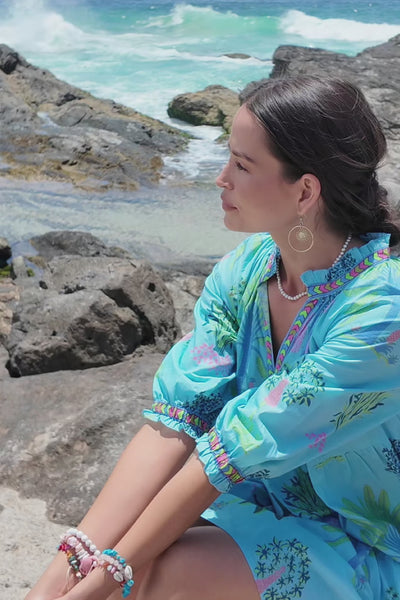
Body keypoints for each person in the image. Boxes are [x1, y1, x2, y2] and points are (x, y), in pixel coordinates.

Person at [27, 76, 400, 600]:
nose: (220, 179)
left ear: (305, 191)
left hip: (368, 546)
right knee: (115, 563)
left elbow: (231, 450)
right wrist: (67, 565)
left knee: (154, 571)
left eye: (242, 165)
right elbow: (177, 419)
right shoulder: (247, 270)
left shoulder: (381, 309)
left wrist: (105, 577)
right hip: (259, 511)